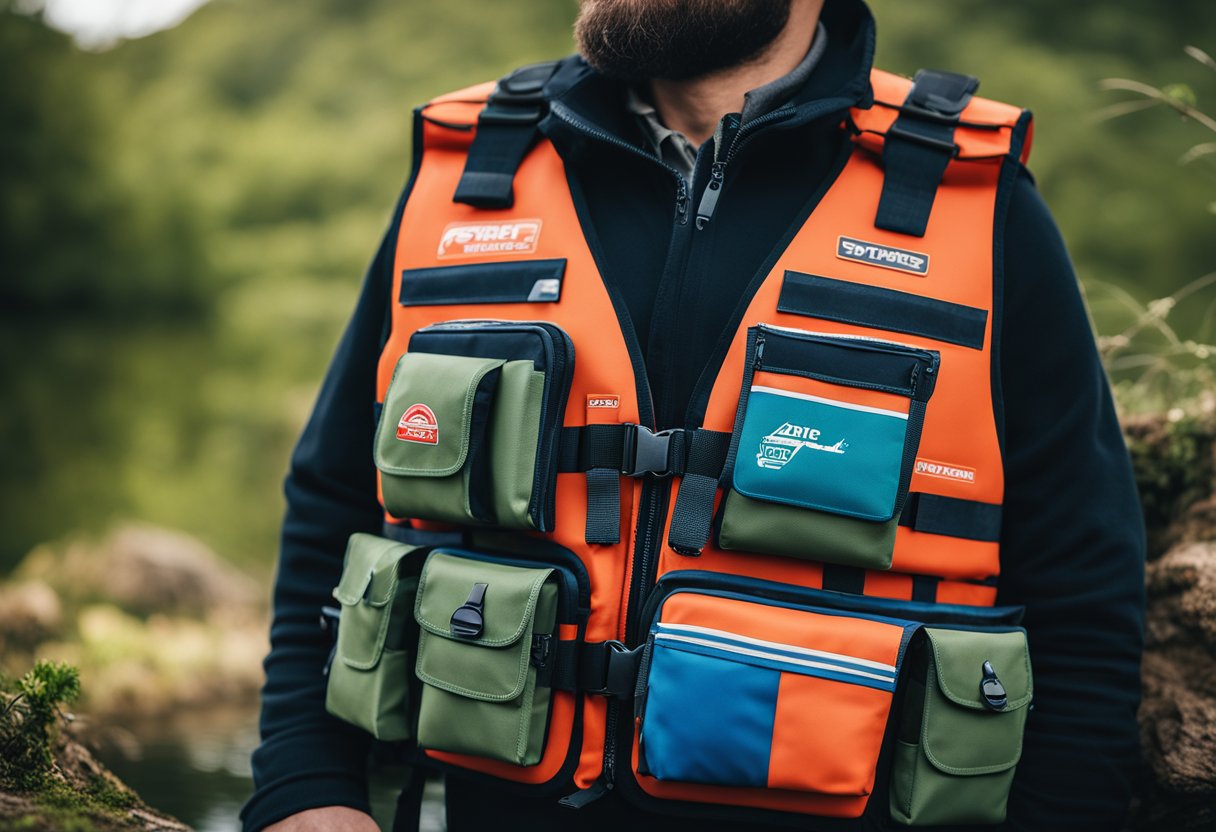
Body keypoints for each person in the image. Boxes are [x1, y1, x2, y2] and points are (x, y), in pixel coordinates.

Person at [241, 0, 1146, 830]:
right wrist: (305, 785)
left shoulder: (977, 202)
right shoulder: (469, 171)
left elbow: (1083, 587)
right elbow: (336, 498)